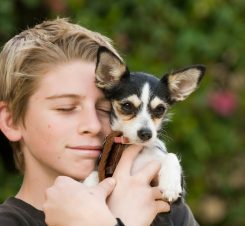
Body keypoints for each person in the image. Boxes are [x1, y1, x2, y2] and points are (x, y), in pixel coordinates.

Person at [0, 18, 200, 226]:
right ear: (11, 120)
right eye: (65, 108)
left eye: (105, 109)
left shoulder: (167, 210)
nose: (94, 125)